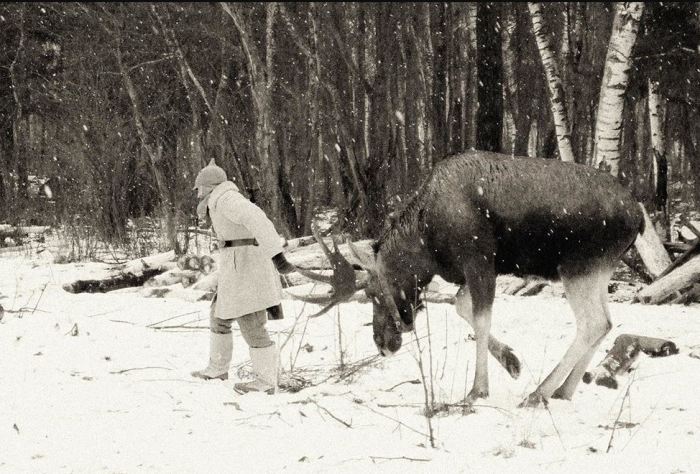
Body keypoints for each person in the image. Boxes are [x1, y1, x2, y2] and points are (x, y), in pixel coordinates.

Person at [191, 159, 295, 394]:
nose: (197, 194)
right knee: (218, 316)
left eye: (199, 189)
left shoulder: (228, 199)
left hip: (247, 268)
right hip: (236, 266)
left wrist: (277, 256)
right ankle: (217, 368)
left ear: (210, 186)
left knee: (251, 324)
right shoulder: (219, 200)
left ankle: (267, 381)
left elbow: (258, 220)